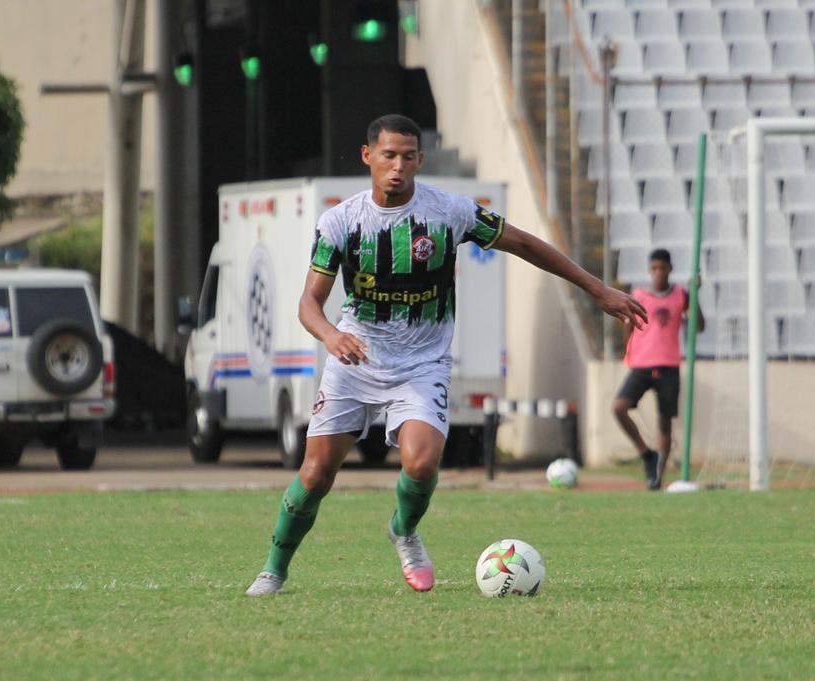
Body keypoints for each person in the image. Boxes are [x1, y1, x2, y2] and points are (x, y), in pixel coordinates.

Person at [245, 114, 648, 597]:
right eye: (388, 155)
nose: (397, 167)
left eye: (408, 157)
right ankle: (274, 569)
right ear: (367, 156)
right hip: (356, 359)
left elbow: (522, 242)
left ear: (420, 159)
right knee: (315, 474)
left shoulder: (449, 212)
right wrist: (331, 336)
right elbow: (308, 304)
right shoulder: (340, 222)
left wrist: (598, 289)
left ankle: (404, 530)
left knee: (421, 463)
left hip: (422, 361)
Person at [612, 249, 705, 491]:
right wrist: (627, 350)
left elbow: (699, 326)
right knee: (619, 408)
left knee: (664, 424)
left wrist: (694, 295)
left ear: (670, 269)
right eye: (653, 269)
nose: (658, 273)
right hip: (641, 364)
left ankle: (656, 478)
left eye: (662, 268)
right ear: (649, 270)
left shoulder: (680, 295)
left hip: (668, 364)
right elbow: (628, 325)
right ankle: (647, 455)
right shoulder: (640, 295)